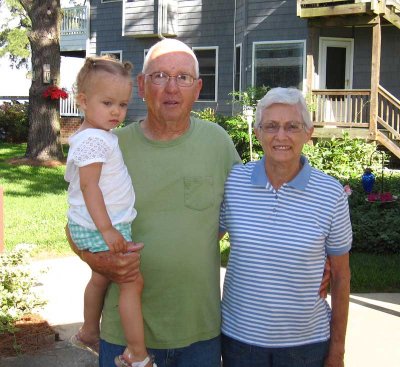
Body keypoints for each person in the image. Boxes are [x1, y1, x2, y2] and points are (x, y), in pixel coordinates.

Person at [67, 38, 242, 367]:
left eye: (183, 77)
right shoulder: (109, 146)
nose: (172, 88)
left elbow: (249, 213)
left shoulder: (217, 143)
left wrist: (310, 260)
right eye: (160, 76)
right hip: (124, 336)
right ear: (142, 86)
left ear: (198, 87)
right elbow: (74, 221)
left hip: (199, 332)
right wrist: (95, 259)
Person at [219, 87, 352, 367]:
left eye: (292, 126)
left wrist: (337, 351)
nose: (281, 136)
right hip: (240, 342)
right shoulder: (234, 183)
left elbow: (340, 276)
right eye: (271, 126)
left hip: (305, 346)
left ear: (308, 132)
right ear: (257, 133)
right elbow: (202, 242)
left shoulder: (331, 194)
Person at [65, 55, 156, 367]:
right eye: (107, 103)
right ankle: (136, 353)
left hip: (97, 224)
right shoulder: (94, 140)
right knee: (132, 282)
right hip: (101, 225)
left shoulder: (96, 135)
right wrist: (107, 230)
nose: (117, 111)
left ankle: (90, 330)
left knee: (100, 277)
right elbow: (90, 187)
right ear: (83, 101)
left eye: (123, 104)